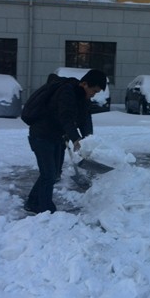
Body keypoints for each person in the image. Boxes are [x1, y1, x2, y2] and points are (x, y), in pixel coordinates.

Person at [25, 69, 106, 214]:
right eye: (94, 90)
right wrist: (76, 139)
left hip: (56, 136)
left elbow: (85, 120)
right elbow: (66, 117)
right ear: (84, 84)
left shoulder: (83, 98)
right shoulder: (66, 92)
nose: (94, 94)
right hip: (41, 135)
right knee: (48, 174)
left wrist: (88, 141)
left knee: (54, 172)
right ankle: (45, 210)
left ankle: (32, 202)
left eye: (97, 92)